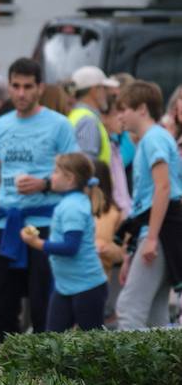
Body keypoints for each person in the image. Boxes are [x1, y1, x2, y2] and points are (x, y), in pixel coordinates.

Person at [0, 58, 78, 340]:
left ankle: (46, 374)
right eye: (16, 86)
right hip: (7, 224)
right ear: (8, 87)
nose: (21, 93)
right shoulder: (0, 126)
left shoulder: (59, 125)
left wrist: (45, 183)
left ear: (40, 88)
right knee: (3, 305)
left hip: (46, 224)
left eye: (28, 87)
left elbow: (76, 177)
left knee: (43, 306)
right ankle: (12, 372)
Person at [115, 80, 182, 331]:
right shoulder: (153, 139)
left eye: (124, 109)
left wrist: (151, 237)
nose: (119, 115)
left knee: (129, 310)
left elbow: (163, 188)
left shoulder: (154, 139)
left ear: (142, 109)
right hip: (159, 231)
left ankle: (125, 371)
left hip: (160, 231)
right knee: (156, 317)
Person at [17, 153, 109, 333]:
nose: (51, 176)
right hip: (65, 287)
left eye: (56, 172)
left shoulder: (72, 207)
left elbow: (70, 247)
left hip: (87, 288)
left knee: (93, 348)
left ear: (69, 179)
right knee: (52, 343)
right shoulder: (70, 203)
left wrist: (36, 242)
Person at [67, 66, 118, 166]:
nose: (109, 93)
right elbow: (87, 166)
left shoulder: (77, 115)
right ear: (95, 90)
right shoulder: (87, 121)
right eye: (105, 88)